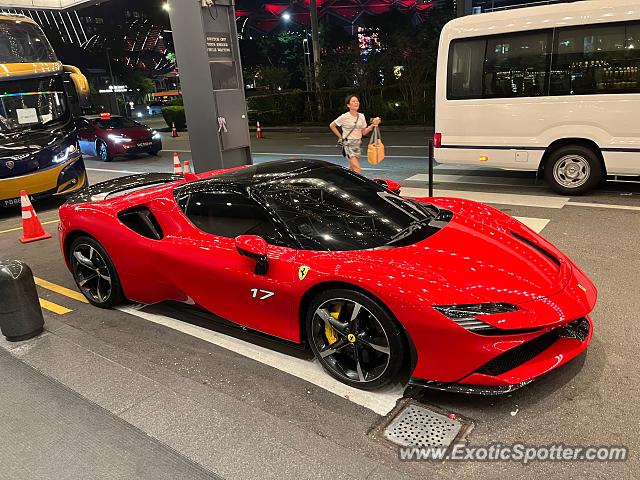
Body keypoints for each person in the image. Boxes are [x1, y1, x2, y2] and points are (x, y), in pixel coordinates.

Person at [329, 95, 380, 174]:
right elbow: (332, 125)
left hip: (357, 144)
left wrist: (372, 126)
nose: (356, 103)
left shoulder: (361, 116)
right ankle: (359, 186)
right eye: (353, 101)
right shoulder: (344, 116)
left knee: (351, 169)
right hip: (348, 145)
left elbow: (363, 132)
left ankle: (345, 183)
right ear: (348, 105)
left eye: (357, 101)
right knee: (357, 169)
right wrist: (340, 137)